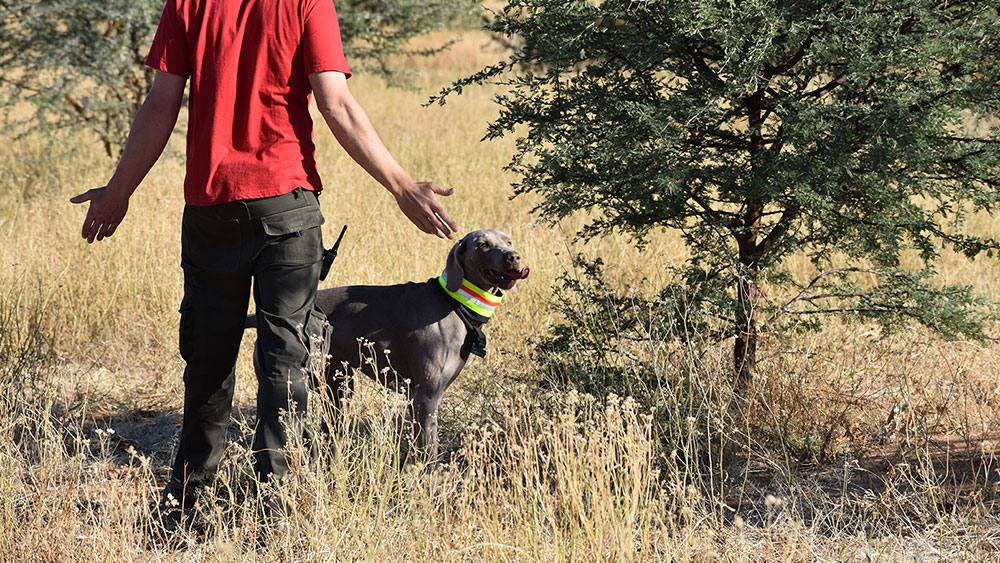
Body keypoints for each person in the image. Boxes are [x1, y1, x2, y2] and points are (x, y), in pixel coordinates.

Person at [70, 0, 457, 512]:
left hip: (211, 209)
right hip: (288, 209)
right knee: (287, 360)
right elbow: (335, 103)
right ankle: (276, 508)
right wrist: (401, 185)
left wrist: (120, 190)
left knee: (208, 363)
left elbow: (162, 103)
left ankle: (186, 506)